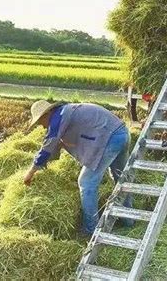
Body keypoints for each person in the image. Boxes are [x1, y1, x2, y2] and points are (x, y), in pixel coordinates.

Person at [23, 100, 132, 235]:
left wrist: (31, 171)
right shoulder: (67, 111)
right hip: (121, 133)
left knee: (86, 182)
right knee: (120, 176)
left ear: (47, 113)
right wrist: (46, 161)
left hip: (110, 139)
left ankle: (91, 230)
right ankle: (128, 220)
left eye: (40, 122)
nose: (42, 127)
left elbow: (49, 144)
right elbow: (56, 145)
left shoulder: (59, 117)